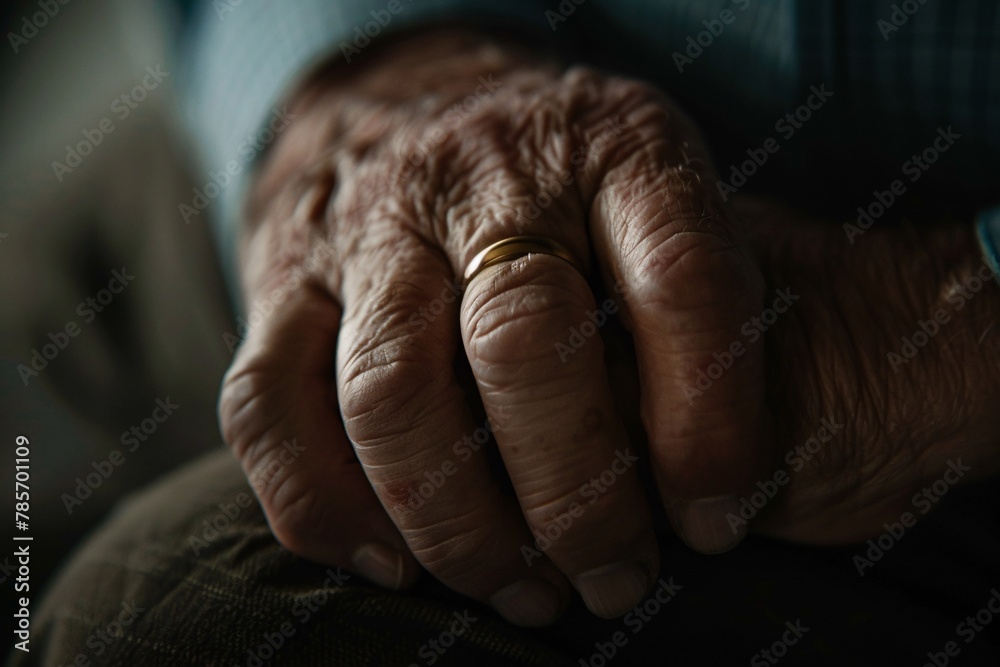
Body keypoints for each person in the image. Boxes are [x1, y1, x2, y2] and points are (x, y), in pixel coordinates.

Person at [19, 1, 1000, 664]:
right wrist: (361, 74)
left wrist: (942, 331)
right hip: (399, 108)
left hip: (919, 396)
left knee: (162, 624)